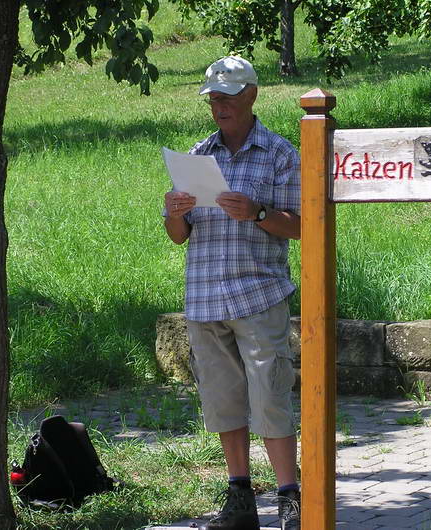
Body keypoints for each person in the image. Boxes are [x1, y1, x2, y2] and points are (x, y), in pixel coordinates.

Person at [163, 56, 301, 530]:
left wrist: (259, 213)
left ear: (251, 95)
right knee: (223, 400)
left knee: (270, 396)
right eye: (213, 98)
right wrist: (174, 211)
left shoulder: (281, 154)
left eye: (227, 96)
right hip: (204, 298)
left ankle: (289, 498)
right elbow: (178, 236)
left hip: (259, 294)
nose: (218, 105)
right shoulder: (197, 155)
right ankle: (239, 498)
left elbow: (304, 227)